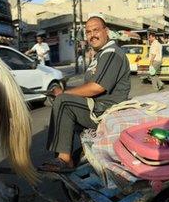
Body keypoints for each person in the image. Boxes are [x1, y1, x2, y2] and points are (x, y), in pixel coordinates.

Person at [39, 16, 131, 172]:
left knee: (63, 101)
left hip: (107, 108)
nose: (92, 35)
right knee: (65, 101)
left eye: (96, 30)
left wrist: (64, 92)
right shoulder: (100, 54)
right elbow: (88, 86)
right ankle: (82, 151)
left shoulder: (111, 53)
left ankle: (64, 159)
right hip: (97, 105)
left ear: (106, 31)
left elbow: (96, 87)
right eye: (88, 32)